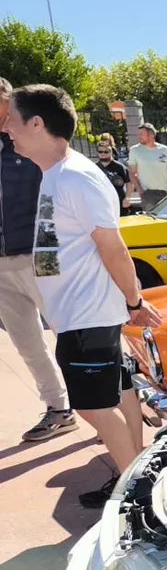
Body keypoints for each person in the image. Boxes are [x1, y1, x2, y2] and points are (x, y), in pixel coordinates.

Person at [4, 85, 162, 507]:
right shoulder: (57, 174)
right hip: (80, 313)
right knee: (120, 393)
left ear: (37, 124)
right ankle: (135, 474)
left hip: (87, 315)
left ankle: (139, 498)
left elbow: (113, 248)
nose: (8, 130)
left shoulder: (77, 176)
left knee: (94, 409)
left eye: (13, 121)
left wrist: (134, 302)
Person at [0, 77, 75, 442]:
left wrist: (47, 257)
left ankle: (112, 399)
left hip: (37, 256)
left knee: (73, 333)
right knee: (27, 342)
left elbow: (54, 198)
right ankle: (58, 408)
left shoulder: (29, 146)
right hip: (2, 265)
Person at [127, 122, 167, 211]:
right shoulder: (135, 150)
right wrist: (140, 191)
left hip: (164, 192)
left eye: (142, 134)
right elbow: (132, 173)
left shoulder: (166, 150)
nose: (139, 137)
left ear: (151, 135)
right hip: (147, 193)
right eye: (139, 134)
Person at [94, 134, 130, 207]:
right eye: (100, 152)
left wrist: (127, 198)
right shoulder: (93, 168)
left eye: (106, 152)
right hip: (101, 204)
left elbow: (130, 182)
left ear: (111, 152)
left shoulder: (120, 167)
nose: (103, 154)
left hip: (119, 203)